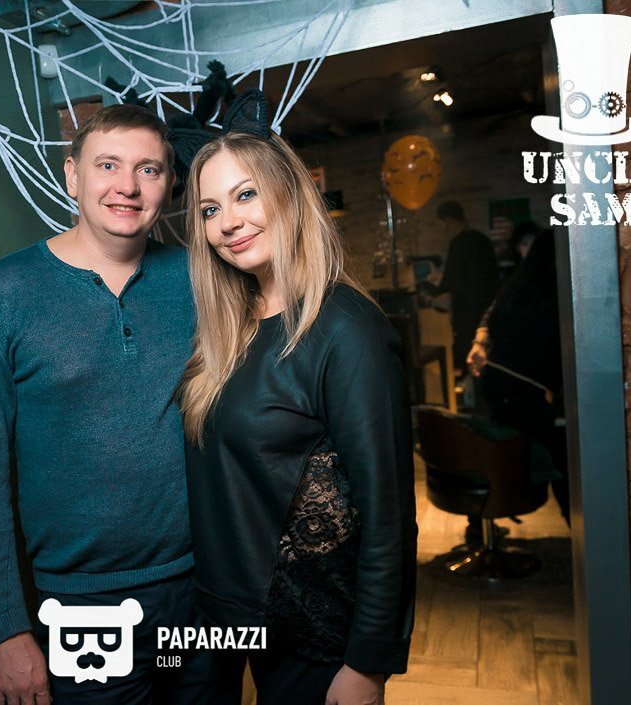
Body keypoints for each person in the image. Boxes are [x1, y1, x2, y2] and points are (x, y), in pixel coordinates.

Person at [0, 104, 205, 705]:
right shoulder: (5, 293)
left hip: (202, 593)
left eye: (148, 169)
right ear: (72, 175)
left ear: (169, 183)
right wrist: (6, 630)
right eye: (107, 165)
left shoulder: (200, 280)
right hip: (83, 607)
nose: (127, 186)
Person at [177, 125, 417, 705]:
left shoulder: (347, 330)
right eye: (210, 209)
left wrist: (367, 665)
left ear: (290, 192)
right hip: (224, 618)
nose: (228, 222)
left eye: (246, 194)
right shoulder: (229, 327)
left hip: (314, 637)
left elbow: (388, 517)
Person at [466, 229, 569, 522]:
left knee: (499, 457)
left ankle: (480, 523)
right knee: (560, 463)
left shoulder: (520, 281)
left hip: (496, 382)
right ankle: (579, 531)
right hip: (524, 390)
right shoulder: (557, 291)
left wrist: (480, 340)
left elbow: (491, 313)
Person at [420, 201, 499, 378]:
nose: (445, 228)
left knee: (466, 354)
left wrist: (431, 289)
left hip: (466, 308)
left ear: (448, 219)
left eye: (444, 223)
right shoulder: (483, 239)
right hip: (487, 305)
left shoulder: (458, 242)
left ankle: (467, 389)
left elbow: (451, 279)